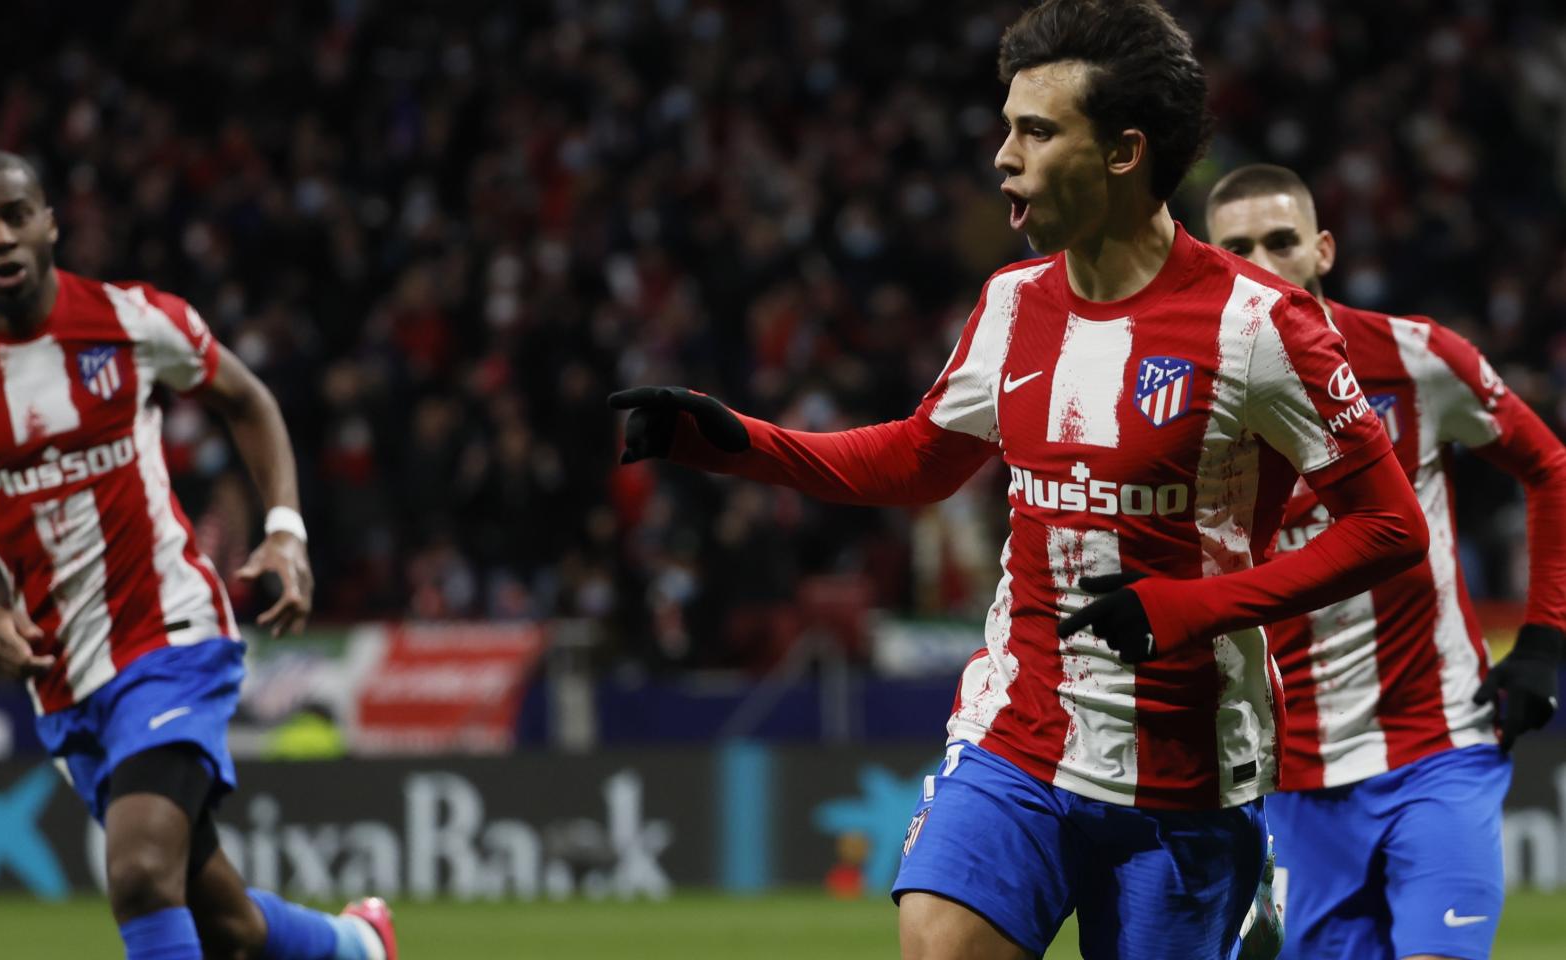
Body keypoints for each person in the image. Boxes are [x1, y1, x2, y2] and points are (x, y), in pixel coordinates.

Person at [611, 2, 1428, 958]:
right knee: (939, 938)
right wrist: (735, 443)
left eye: (1036, 133)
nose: (1004, 157)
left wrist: (1189, 608)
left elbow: (1389, 528)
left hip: (1188, 765)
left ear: (1124, 153)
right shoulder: (1012, 303)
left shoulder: (1262, 328)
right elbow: (922, 460)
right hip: (1021, 726)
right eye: (1008, 128)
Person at [0, 150, 397, 960]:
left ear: (50, 223)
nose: (1, 235)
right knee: (221, 921)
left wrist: (286, 530)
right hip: (60, 675)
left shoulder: (129, 321)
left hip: (170, 635)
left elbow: (247, 400)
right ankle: (357, 948)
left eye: (16, 214)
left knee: (139, 873)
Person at [1206, 162, 1566, 960]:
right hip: (1293, 778)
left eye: (1281, 241)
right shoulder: (1199, 408)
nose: (1263, 264)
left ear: (1324, 249)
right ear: (1211, 262)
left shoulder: (1416, 358)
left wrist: (1543, 640)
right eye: (1238, 248)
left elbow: (1551, 467)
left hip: (1438, 744)